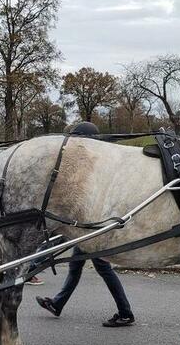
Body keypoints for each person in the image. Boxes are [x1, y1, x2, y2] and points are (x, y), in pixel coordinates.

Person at [35, 121, 135, 327]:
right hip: (86, 228)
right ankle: (57, 303)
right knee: (75, 267)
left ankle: (125, 313)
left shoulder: (94, 162)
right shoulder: (93, 160)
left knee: (103, 268)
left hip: (93, 229)